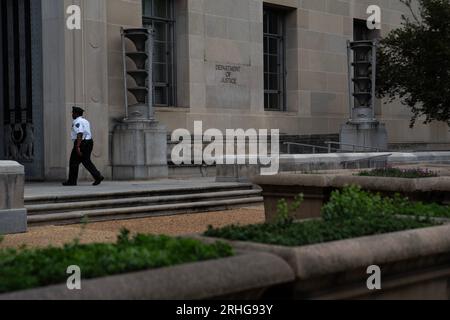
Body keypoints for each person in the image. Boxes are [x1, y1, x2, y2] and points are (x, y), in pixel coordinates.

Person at [63, 106, 104, 186]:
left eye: (73, 113)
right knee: (86, 161)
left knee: (73, 162)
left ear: (76, 114)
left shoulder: (77, 122)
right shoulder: (85, 121)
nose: (72, 114)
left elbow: (80, 133)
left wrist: (78, 147)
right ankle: (97, 176)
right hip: (89, 142)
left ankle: (72, 181)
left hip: (81, 143)